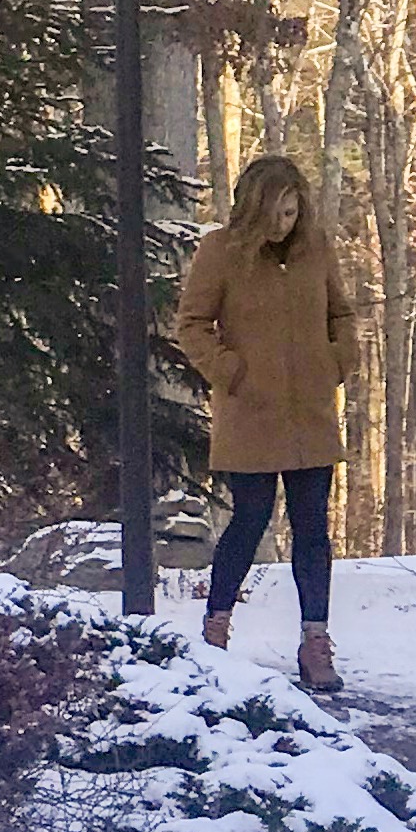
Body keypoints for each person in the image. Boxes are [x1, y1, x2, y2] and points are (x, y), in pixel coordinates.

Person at [173, 150, 356, 692]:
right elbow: (191, 324)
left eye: (293, 213)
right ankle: (215, 629)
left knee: (312, 529)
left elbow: (340, 313)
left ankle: (315, 642)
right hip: (250, 413)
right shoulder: (220, 252)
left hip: (311, 415)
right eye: (277, 213)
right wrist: (230, 372)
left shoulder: (316, 250)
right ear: (255, 209)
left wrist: (337, 359)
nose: (286, 223)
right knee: (249, 522)